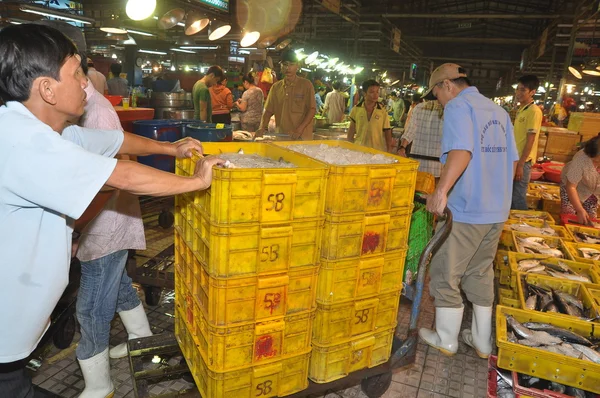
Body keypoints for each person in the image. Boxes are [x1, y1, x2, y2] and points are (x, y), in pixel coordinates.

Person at [0, 24, 224, 397]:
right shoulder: (22, 142)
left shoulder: (40, 130)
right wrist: (196, 182)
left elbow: (113, 140)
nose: (86, 86)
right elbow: (122, 173)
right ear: (47, 88)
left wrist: (172, 149)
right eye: (77, 75)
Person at [418, 63, 518, 359]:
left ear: (447, 85)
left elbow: (462, 151)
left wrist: (441, 191)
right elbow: (513, 163)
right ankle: (482, 341)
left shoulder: (459, 107)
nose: (437, 100)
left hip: (467, 210)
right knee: (480, 271)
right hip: (497, 211)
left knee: (445, 271)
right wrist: (496, 195)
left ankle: (446, 338)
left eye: (436, 93)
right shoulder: (498, 111)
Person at [256, 49, 316, 140]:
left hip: (302, 138)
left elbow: (312, 110)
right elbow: (268, 111)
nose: (288, 68)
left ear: (297, 66)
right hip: (282, 137)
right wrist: (262, 127)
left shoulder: (306, 85)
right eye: (285, 64)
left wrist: (299, 130)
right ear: (280, 66)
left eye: (291, 64)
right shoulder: (276, 87)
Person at [512, 75, 542, 210]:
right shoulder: (522, 110)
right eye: (517, 89)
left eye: (523, 90)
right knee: (512, 195)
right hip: (515, 160)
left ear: (532, 92)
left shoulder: (534, 111)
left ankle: (522, 225)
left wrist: (520, 165)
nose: (518, 93)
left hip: (522, 162)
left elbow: (531, 140)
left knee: (518, 197)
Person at [397, 99, 444, 177]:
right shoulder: (448, 109)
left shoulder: (419, 107)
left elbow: (410, 131)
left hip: (417, 164)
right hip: (437, 166)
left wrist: (402, 147)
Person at [560, 135, 600, 225]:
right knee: (569, 217)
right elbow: (571, 187)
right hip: (572, 186)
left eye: (597, 161)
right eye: (594, 161)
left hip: (593, 191)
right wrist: (579, 209)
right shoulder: (581, 159)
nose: (595, 164)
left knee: (590, 221)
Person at [347, 79, 392, 152]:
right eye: (372, 92)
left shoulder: (382, 111)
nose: (376, 95)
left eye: (377, 92)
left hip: (376, 151)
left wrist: (389, 150)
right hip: (359, 150)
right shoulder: (356, 109)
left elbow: (387, 132)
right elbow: (351, 131)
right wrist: (349, 147)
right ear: (364, 93)